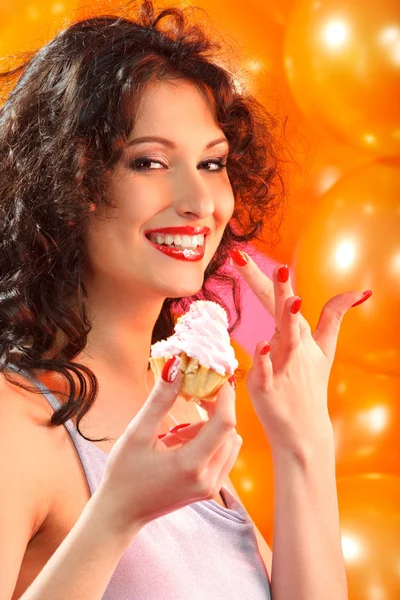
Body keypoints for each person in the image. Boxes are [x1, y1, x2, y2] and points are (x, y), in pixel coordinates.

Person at [0, 0, 369, 597]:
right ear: (69, 180)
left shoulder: (180, 408)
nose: (199, 200)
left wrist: (304, 441)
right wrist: (116, 514)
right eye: (149, 161)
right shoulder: (14, 421)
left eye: (211, 162)